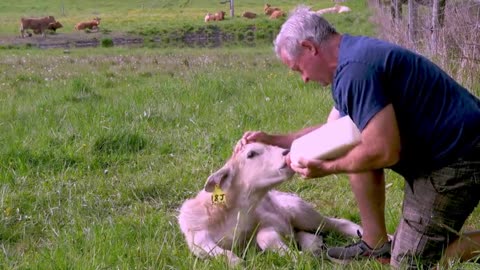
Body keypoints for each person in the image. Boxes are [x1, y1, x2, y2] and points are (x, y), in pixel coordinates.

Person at [235, 5, 480, 269]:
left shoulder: (356, 70)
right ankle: (376, 245)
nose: (304, 79)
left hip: (459, 159)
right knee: (350, 143)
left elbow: (384, 150)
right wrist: (274, 140)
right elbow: (336, 134)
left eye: (298, 69)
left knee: (410, 263)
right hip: (439, 154)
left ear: (309, 47)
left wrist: (327, 168)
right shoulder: (349, 59)